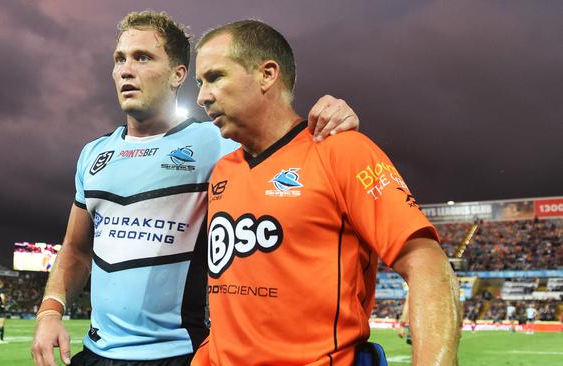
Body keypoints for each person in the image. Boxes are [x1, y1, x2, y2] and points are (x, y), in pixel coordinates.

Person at [31, 11, 360, 366]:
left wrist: (331, 118)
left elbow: (286, 144)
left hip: (177, 353)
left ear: (178, 74)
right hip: (95, 354)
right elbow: (76, 251)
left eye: (143, 57)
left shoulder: (217, 142)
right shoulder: (93, 154)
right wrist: (50, 311)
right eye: (119, 59)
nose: (126, 69)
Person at [193, 20, 460, 365]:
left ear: (267, 74)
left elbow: (427, 263)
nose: (202, 96)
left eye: (215, 77)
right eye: (200, 83)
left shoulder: (342, 151)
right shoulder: (222, 171)